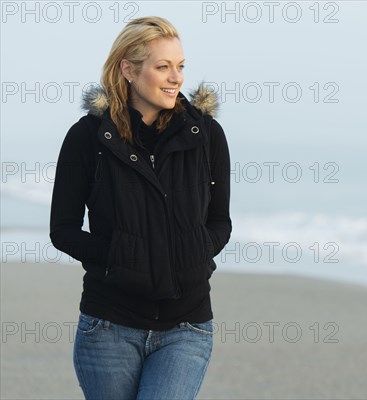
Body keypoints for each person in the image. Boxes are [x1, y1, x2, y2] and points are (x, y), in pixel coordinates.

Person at [49, 16, 232, 399]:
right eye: (162, 66)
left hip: (187, 326)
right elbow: (63, 229)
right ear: (128, 70)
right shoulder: (88, 137)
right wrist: (119, 257)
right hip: (108, 326)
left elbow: (219, 222)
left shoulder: (206, 135)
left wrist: (192, 253)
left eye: (180, 66)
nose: (176, 77)